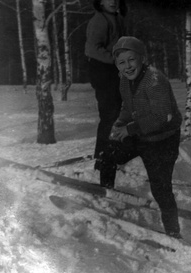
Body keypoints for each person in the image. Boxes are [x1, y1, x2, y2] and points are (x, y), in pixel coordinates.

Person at [99, 36, 183, 239]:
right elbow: (128, 107)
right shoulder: (125, 81)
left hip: (163, 139)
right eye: (121, 62)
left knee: (160, 188)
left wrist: (129, 129)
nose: (127, 66)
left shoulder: (154, 80)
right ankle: (104, 195)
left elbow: (162, 117)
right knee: (108, 153)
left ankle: (173, 232)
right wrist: (119, 125)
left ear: (142, 58)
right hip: (142, 134)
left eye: (131, 60)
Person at [85, 0, 127, 170]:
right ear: (100, 2)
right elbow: (92, 49)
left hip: (113, 70)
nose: (113, 2)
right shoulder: (100, 20)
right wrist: (116, 60)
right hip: (101, 70)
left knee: (117, 112)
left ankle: (110, 153)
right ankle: (102, 158)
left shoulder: (117, 18)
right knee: (109, 114)